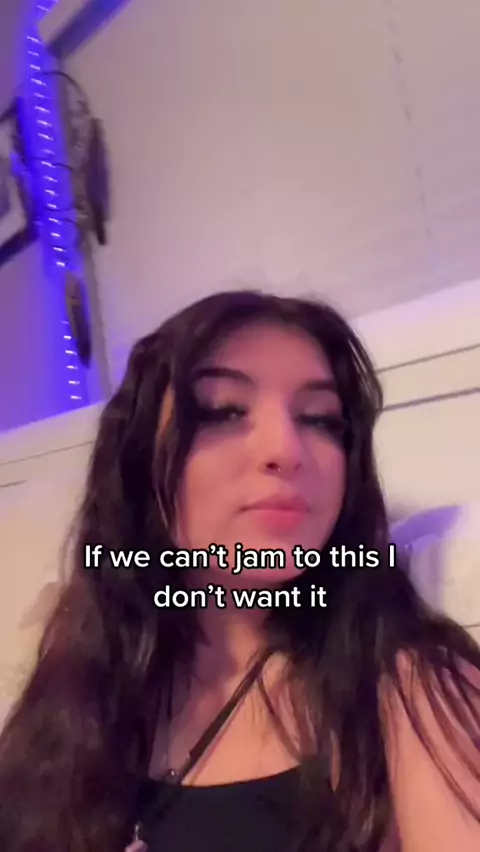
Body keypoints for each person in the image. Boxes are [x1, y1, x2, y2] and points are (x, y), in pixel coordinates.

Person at [0, 290, 479, 852]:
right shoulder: (80, 676)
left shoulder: (412, 687)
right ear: (137, 460)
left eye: (321, 420)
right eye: (224, 411)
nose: (287, 448)